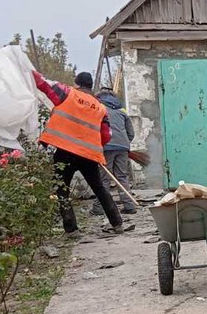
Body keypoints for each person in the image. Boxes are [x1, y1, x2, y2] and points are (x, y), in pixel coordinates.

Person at [33, 70, 134, 237]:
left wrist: (25, 70)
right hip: (87, 154)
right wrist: (93, 148)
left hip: (65, 151)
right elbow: (106, 135)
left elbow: (43, 84)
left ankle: (71, 230)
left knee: (62, 189)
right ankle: (117, 223)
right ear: (90, 86)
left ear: (77, 83)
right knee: (100, 188)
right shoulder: (100, 107)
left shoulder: (67, 93)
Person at [97, 86, 138, 215]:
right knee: (122, 176)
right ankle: (129, 205)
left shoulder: (98, 109)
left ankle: (100, 207)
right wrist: (124, 143)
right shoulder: (122, 111)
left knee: (104, 178)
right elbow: (131, 132)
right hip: (123, 147)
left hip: (106, 146)